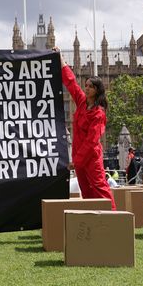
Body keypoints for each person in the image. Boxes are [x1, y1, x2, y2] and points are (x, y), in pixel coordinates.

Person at [59, 56, 115, 207]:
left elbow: (92, 141)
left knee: (99, 186)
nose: (86, 88)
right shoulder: (82, 103)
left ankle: (114, 217)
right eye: (86, 85)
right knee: (86, 190)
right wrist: (61, 60)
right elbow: (71, 84)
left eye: (90, 86)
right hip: (78, 153)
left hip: (91, 157)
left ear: (97, 90)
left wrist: (75, 161)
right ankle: (95, 217)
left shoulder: (99, 113)